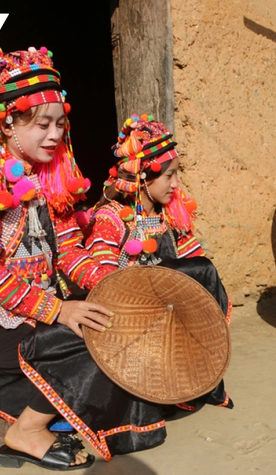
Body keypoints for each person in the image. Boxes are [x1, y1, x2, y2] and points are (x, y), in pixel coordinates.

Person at [0, 47, 168, 470]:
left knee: (117, 321)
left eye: (60, 123)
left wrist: (114, 283)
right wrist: (58, 310)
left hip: (40, 316)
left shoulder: (44, 185)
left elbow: (71, 255)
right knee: (93, 341)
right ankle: (27, 430)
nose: (55, 135)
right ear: (7, 123)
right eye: (42, 124)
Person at [82, 114, 233, 412]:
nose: (176, 184)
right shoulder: (110, 219)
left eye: (176, 175)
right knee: (200, 270)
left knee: (201, 270)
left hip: (173, 318)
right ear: (144, 178)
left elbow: (194, 260)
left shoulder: (169, 216)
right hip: (132, 321)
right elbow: (104, 281)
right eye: (169, 176)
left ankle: (201, 373)